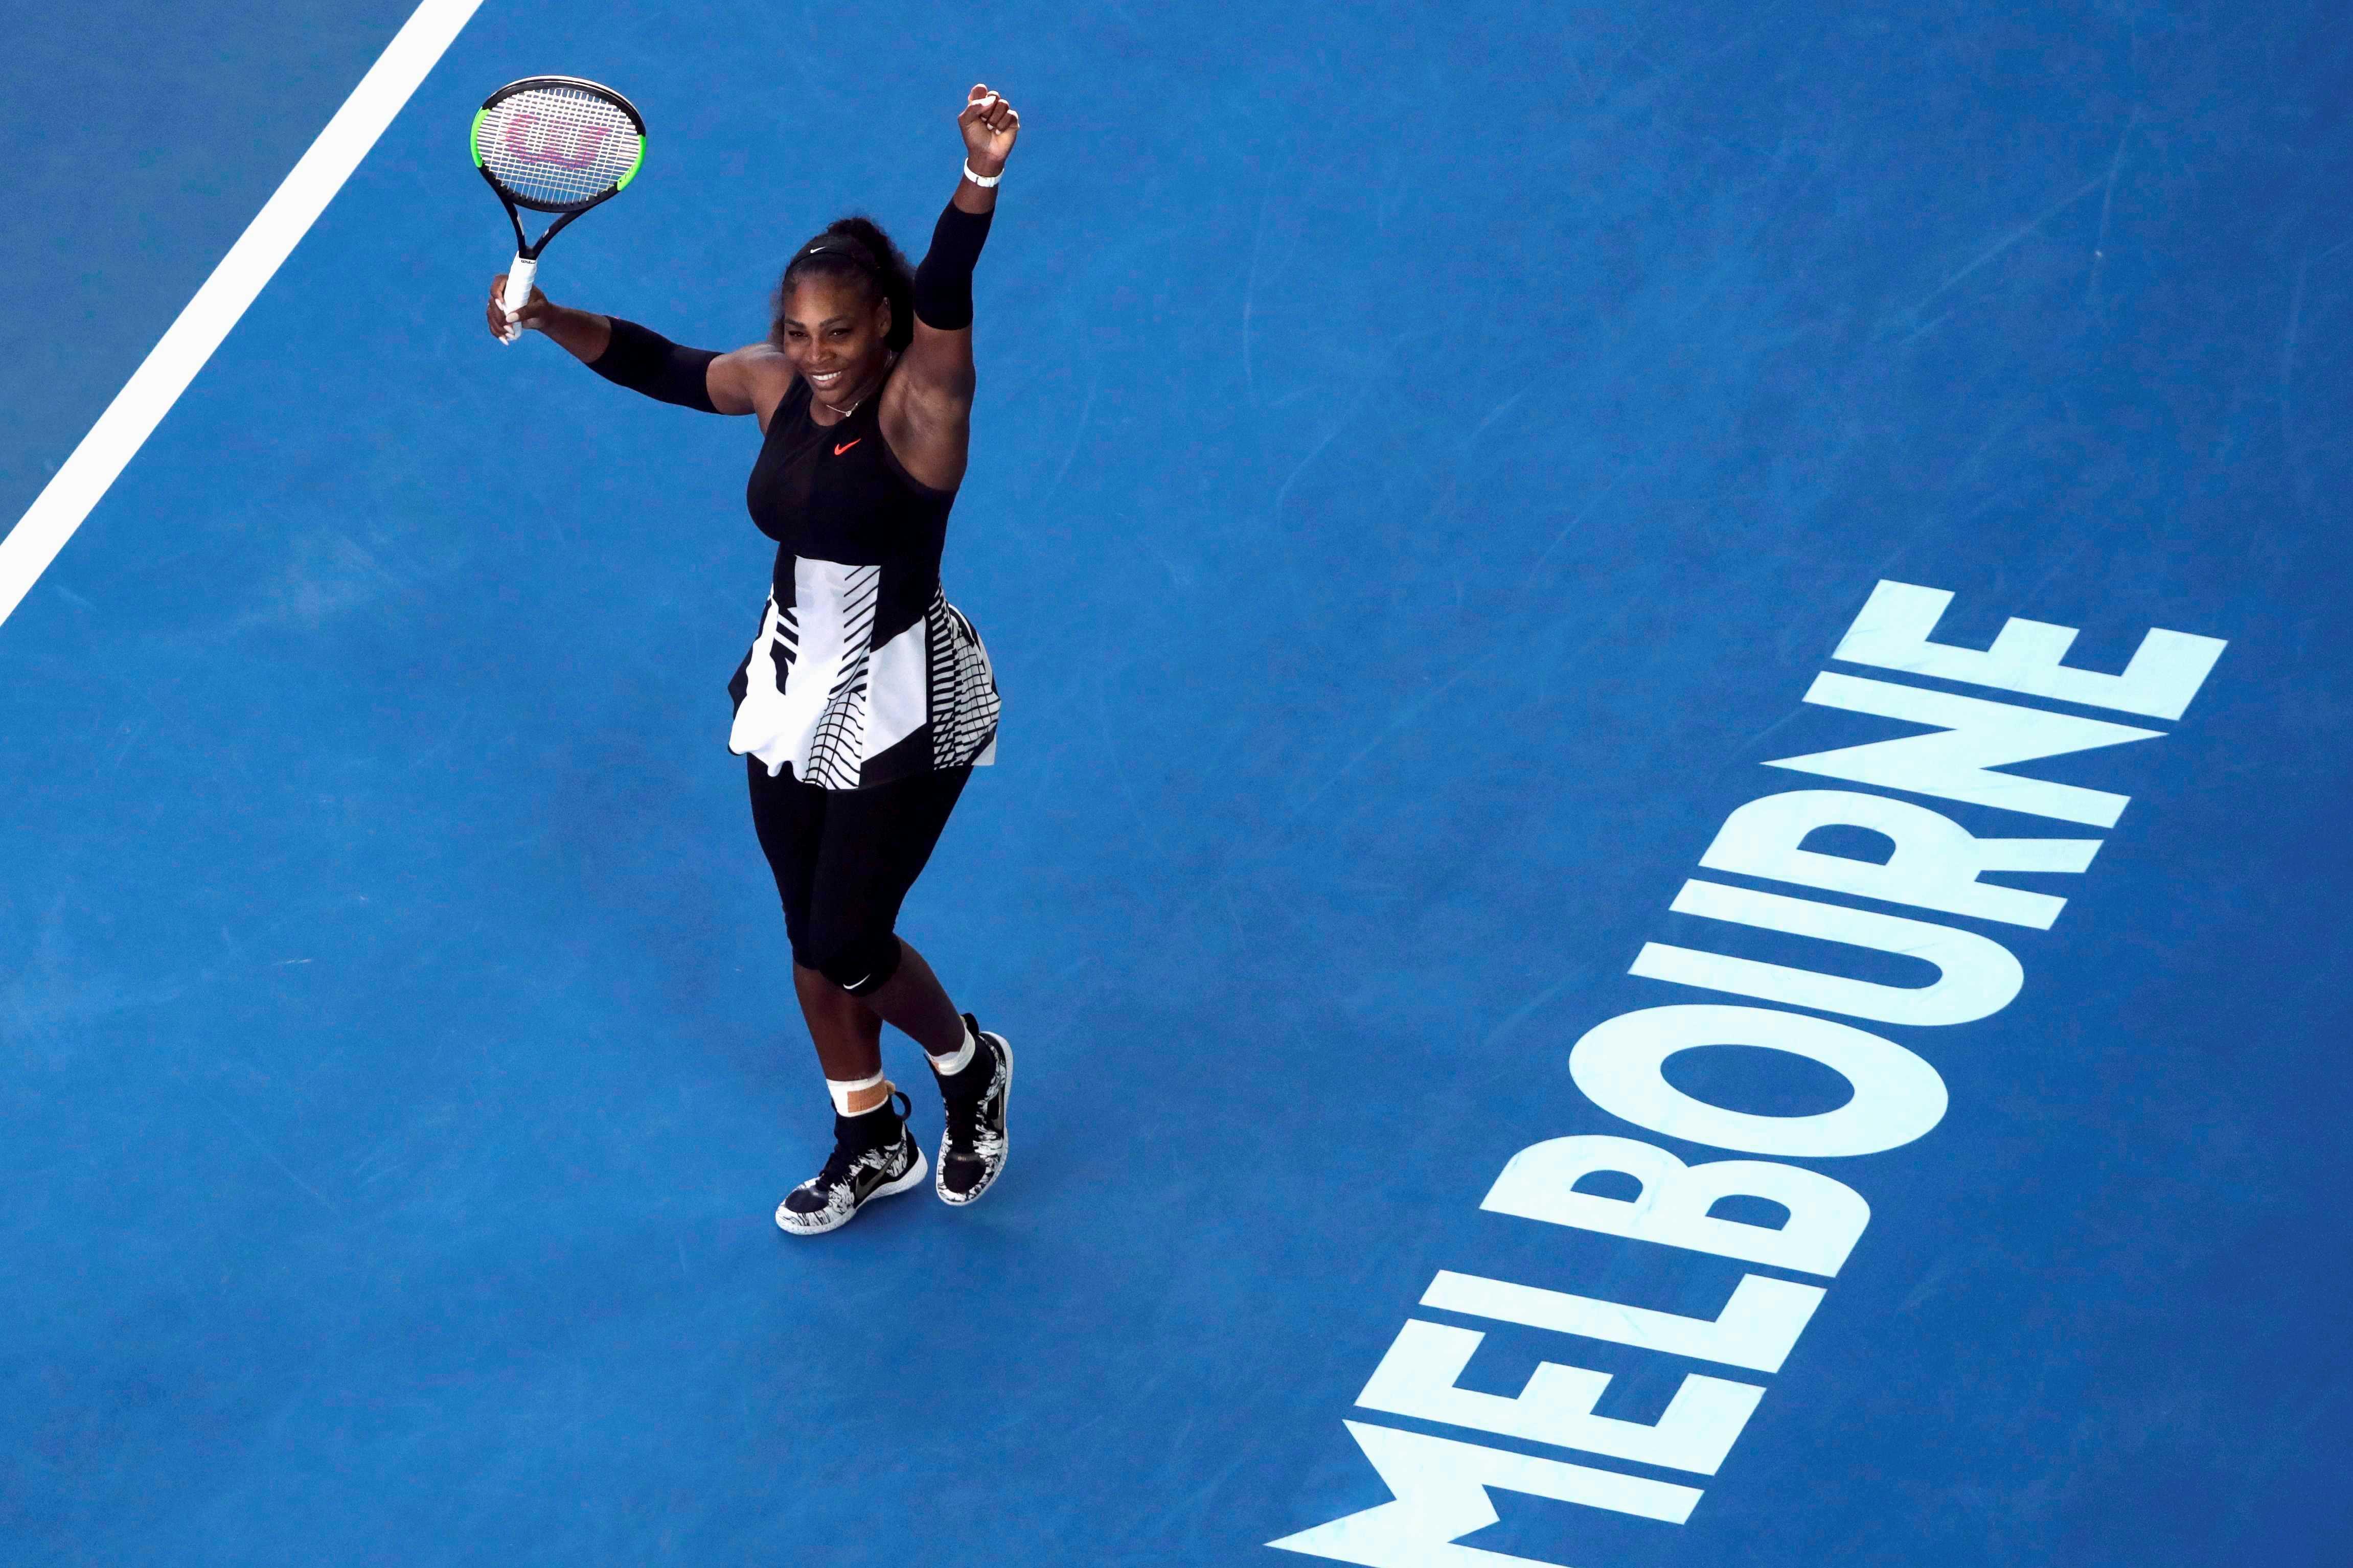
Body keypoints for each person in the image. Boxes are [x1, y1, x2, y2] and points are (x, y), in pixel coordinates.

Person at [485, 84, 1022, 1236]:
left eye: (839, 333)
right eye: (798, 331)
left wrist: (976, 182)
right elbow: (663, 365)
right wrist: (548, 317)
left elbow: (946, 292)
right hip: (785, 694)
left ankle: (969, 1063)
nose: (815, 355)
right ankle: (867, 1134)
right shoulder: (777, 387)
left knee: (849, 940)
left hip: (903, 709)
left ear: (884, 326)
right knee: (808, 944)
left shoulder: (926, 408)